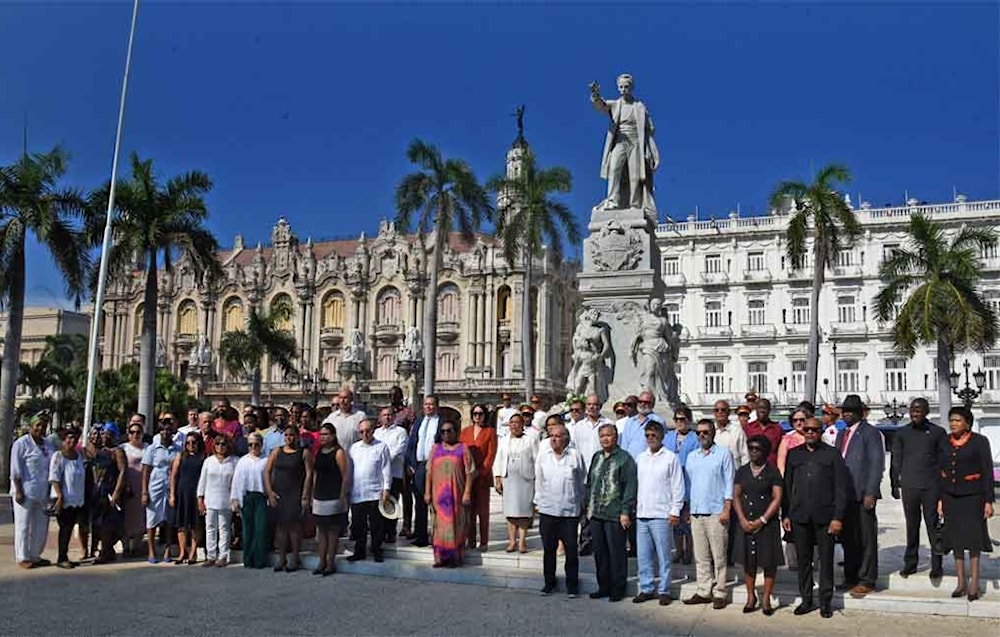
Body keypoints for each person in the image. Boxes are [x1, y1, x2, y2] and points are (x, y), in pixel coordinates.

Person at [782, 417, 847, 619]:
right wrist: (786, 514)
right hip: (800, 516)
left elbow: (841, 489)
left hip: (825, 516)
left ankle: (826, 602)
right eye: (807, 429)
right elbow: (787, 487)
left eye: (814, 430)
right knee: (803, 561)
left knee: (826, 561)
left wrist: (838, 517)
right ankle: (807, 599)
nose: (810, 433)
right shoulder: (794, 455)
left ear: (821, 432)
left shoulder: (832, 455)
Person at [937, 406, 994, 601]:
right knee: (956, 540)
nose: (953, 423)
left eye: (958, 420)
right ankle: (961, 582)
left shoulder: (979, 441)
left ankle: (974, 582)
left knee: (974, 540)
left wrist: (988, 501)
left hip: (973, 497)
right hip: (950, 497)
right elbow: (940, 471)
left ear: (967, 423)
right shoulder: (944, 441)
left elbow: (987, 472)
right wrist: (939, 500)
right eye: (951, 420)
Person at [890, 397, 946, 580]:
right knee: (911, 526)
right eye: (913, 410)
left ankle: (937, 564)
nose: (915, 413)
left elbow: (943, 462)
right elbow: (896, 459)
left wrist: (942, 489)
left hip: (931, 486)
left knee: (932, 526)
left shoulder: (938, 432)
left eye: (919, 410)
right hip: (910, 486)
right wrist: (894, 483)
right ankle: (910, 563)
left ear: (927, 411)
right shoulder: (902, 433)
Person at [682, 419, 735, 610]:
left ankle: (720, 591)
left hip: (716, 511)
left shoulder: (723, 454)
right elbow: (688, 485)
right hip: (696, 511)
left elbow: (730, 482)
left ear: (713, 433)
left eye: (705, 432)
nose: (702, 435)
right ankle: (704, 590)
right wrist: (687, 507)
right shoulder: (691, 457)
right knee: (701, 556)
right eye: (699, 432)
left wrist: (727, 508)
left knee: (719, 556)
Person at [835, 394, 885, 598]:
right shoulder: (841, 434)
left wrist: (871, 491)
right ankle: (851, 576)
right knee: (849, 539)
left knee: (866, 539)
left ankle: (867, 579)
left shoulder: (870, 433)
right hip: (845, 495)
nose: (846, 414)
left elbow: (876, 464)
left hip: (863, 493)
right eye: (844, 411)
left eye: (850, 411)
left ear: (859, 413)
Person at [589, 73, 660, 211]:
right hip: (620, 142)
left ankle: (635, 204)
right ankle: (612, 200)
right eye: (620, 87)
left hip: (636, 143)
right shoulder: (615, 105)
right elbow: (601, 106)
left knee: (635, 176)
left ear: (631, 87)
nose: (623, 89)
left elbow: (649, 131)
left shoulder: (639, 107)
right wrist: (595, 95)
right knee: (614, 170)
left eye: (626, 87)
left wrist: (653, 153)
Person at [632, 420, 684, 606]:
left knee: (664, 556)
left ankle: (665, 589)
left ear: (662, 436)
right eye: (647, 435)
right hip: (642, 514)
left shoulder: (671, 458)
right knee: (644, 555)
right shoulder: (640, 458)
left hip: (662, 514)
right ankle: (646, 588)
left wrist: (675, 510)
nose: (650, 438)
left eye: (654, 435)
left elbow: (678, 486)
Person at [534, 422, 587, 597]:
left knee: (571, 551)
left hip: (569, 512)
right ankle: (549, 583)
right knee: (549, 550)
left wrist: (578, 503)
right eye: (552, 436)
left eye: (558, 436)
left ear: (566, 438)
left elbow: (581, 481)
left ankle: (572, 585)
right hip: (548, 510)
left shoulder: (575, 456)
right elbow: (539, 481)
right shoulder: (544, 455)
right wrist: (538, 502)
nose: (554, 439)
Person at [733, 435, 783, 615]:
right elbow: (737, 495)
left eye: (758, 449)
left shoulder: (772, 471)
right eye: (751, 448)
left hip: (766, 523)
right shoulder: (742, 471)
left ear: (765, 451)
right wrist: (742, 519)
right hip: (746, 521)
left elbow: (777, 497)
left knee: (769, 562)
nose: (754, 452)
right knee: (749, 562)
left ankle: (766, 598)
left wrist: (762, 520)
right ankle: (750, 597)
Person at [586, 423, 637, 602]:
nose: (605, 439)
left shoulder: (625, 459)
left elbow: (630, 487)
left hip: (615, 514)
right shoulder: (596, 457)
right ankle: (603, 586)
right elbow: (589, 483)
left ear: (616, 437)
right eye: (602, 436)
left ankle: (618, 588)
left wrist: (625, 512)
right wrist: (587, 506)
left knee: (616, 553)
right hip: (597, 513)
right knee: (599, 552)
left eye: (609, 435)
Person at [425, 418, 476, 567]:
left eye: (449, 431)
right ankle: (440, 558)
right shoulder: (435, 449)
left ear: (456, 432)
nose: (446, 434)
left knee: (456, 525)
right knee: (439, 526)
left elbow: (470, 473)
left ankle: (454, 558)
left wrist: (467, 492)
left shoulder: (463, 448)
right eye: (443, 431)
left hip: (456, 494)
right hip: (439, 496)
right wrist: (427, 492)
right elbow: (429, 472)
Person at [265, 426, 313, 572]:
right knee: (280, 528)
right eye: (286, 435)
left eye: (292, 435)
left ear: (297, 436)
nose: (288, 438)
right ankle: (281, 558)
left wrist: (305, 495)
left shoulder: (304, 452)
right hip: (279, 493)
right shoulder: (276, 451)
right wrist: (270, 492)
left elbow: (309, 474)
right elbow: (267, 471)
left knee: (294, 527)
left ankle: (294, 558)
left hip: (295, 493)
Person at [10, 411, 54, 568]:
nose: (40, 429)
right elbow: (15, 470)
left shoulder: (48, 444)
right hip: (25, 491)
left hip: (43, 491)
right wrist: (19, 490)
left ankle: (35, 555)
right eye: (38, 425)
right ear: (31, 426)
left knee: (41, 526)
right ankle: (22, 557)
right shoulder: (21, 444)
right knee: (23, 525)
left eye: (44, 426)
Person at [569, 394, 610, 555]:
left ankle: (601, 544)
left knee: (601, 512)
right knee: (585, 513)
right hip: (583, 475)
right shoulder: (578, 427)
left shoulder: (607, 424)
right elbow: (574, 450)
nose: (592, 407)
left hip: (603, 477)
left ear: (600, 406)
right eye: (590, 404)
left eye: (595, 404)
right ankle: (585, 543)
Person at [349, 418, 393, 563]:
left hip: (375, 492)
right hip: (357, 492)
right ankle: (359, 551)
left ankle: (376, 550)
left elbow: (386, 469)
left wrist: (386, 489)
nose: (365, 434)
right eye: (362, 432)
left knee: (376, 526)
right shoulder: (354, 448)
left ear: (373, 431)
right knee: (358, 525)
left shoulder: (382, 447)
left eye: (367, 431)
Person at [494, 413, 539, 553]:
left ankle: (522, 542)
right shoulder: (504, 440)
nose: (514, 425)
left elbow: (537, 459)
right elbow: (498, 458)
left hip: (525, 479)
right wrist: (497, 476)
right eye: (512, 422)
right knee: (510, 511)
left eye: (517, 422)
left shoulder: (530, 440)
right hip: (509, 479)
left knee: (524, 512)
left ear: (522, 424)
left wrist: (538, 479)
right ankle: (512, 541)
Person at [308, 424, 349, 575]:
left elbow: (345, 476)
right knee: (321, 531)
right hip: (320, 495)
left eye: (326, 434)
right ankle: (321, 561)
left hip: (333, 495)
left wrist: (342, 495)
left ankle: (330, 563)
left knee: (332, 531)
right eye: (321, 434)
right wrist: (312, 494)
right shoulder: (318, 452)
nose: (323, 437)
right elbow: (315, 474)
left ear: (333, 435)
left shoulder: (338, 453)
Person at [141, 416, 180, 563]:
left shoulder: (177, 449)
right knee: (152, 519)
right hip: (155, 487)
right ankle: (151, 551)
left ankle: (167, 551)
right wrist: (144, 492)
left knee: (169, 520)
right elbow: (146, 471)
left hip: (170, 487)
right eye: (163, 429)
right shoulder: (152, 449)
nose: (165, 432)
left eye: (168, 430)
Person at [460, 403, 497, 550]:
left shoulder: (490, 432)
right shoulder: (465, 431)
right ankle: (471, 540)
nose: (477, 416)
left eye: (480, 414)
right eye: (475, 414)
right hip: (468, 476)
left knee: (482, 510)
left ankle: (484, 541)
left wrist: (482, 471)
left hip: (482, 476)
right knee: (469, 510)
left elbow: (491, 454)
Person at [196, 434, 238, 567]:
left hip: (226, 500)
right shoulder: (209, 461)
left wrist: (235, 499)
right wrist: (200, 499)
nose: (220, 447)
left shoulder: (234, 461)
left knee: (224, 528)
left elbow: (237, 483)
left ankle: (223, 556)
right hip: (210, 499)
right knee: (210, 528)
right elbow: (202, 481)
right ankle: (211, 556)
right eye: (218, 444)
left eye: (223, 444)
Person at [406, 395, 441, 547]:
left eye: (431, 405)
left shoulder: (441, 422)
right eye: (426, 404)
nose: (428, 407)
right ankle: (421, 535)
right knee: (419, 502)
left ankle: (437, 535)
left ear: (436, 406)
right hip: (420, 466)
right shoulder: (419, 422)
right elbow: (412, 443)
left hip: (436, 466)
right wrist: (412, 464)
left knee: (436, 502)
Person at [231, 432, 270, 569]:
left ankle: (260, 560)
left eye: (256, 444)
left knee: (260, 529)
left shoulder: (266, 460)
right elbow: (236, 481)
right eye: (250, 445)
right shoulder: (243, 461)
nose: (253, 447)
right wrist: (235, 499)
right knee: (247, 530)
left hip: (261, 498)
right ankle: (248, 560)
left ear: (261, 445)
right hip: (247, 497)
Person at [666, 407, 699, 564]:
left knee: (688, 522)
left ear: (689, 420)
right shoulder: (669, 437)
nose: (680, 422)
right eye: (677, 419)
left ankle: (688, 552)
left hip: (689, 484)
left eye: (683, 419)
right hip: (672, 485)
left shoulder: (695, 438)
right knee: (676, 523)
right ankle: (678, 550)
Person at [49, 427, 85, 569]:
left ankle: (65, 555)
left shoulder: (79, 456)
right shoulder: (58, 456)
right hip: (64, 500)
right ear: (63, 440)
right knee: (65, 528)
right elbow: (54, 478)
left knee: (70, 529)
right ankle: (61, 558)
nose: (72, 441)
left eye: (74, 438)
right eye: (68, 438)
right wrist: (60, 496)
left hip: (77, 499)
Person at [90, 424, 127, 564]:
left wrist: (117, 492)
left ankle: (105, 551)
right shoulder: (101, 450)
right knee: (98, 523)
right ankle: (105, 549)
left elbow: (123, 471)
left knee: (108, 524)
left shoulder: (117, 451)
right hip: (99, 490)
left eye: (108, 434)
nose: (105, 437)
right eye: (103, 434)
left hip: (111, 491)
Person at [374, 405, 409, 543]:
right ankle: (380, 532)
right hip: (378, 475)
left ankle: (390, 532)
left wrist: (382, 461)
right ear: (380, 418)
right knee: (379, 504)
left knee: (391, 503)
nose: (387, 417)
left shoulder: (401, 432)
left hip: (394, 473)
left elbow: (398, 451)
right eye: (384, 415)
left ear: (394, 417)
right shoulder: (376, 433)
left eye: (389, 414)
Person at [170, 432, 205, 565]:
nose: (191, 445)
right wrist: (172, 495)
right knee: (181, 525)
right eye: (188, 443)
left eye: (193, 442)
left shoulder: (203, 458)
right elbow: (173, 476)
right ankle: (182, 551)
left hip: (195, 494)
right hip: (181, 493)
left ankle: (193, 552)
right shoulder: (180, 456)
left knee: (195, 524)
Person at [386, 386, 416, 537]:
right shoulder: (386, 412)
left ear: (401, 396)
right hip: (388, 461)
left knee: (406, 492)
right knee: (390, 492)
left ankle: (406, 525)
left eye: (395, 395)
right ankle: (388, 523)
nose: (392, 398)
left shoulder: (407, 412)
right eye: (390, 395)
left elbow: (412, 432)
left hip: (403, 457)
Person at [120, 415, 149, 556]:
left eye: (138, 432)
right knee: (126, 517)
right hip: (128, 487)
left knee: (141, 517)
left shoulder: (148, 448)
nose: (135, 435)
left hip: (142, 487)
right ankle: (126, 547)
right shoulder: (122, 448)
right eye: (132, 432)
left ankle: (136, 547)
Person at [619, 391, 665, 459]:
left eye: (646, 402)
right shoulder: (630, 422)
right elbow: (624, 445)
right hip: (630, 463)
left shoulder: (658, 421)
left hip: (649, 463)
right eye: (640, 401)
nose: (642, 404)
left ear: (652, 404)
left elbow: (662, 443)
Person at [322, 389, 364, 454]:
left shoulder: (360, 416)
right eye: (341, 398)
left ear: (351, 400)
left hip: (354, 456)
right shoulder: (332, 417)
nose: (342, 401)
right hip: (336, 456)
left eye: (345, 398)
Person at [743, 399, 782, 467]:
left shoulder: (777, 429)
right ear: (756, 410)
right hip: (753, 468)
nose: (762, 410)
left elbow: (781, 451)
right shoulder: (748, 428)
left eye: (765, 408)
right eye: (759, 408)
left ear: (769, 410)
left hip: (772, 468)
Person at [777, 408, 809, 476]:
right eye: (795, 420)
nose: (798, 423)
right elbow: (781, 464)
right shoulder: (786, 440)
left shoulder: (814, 438)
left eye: (802, 420)